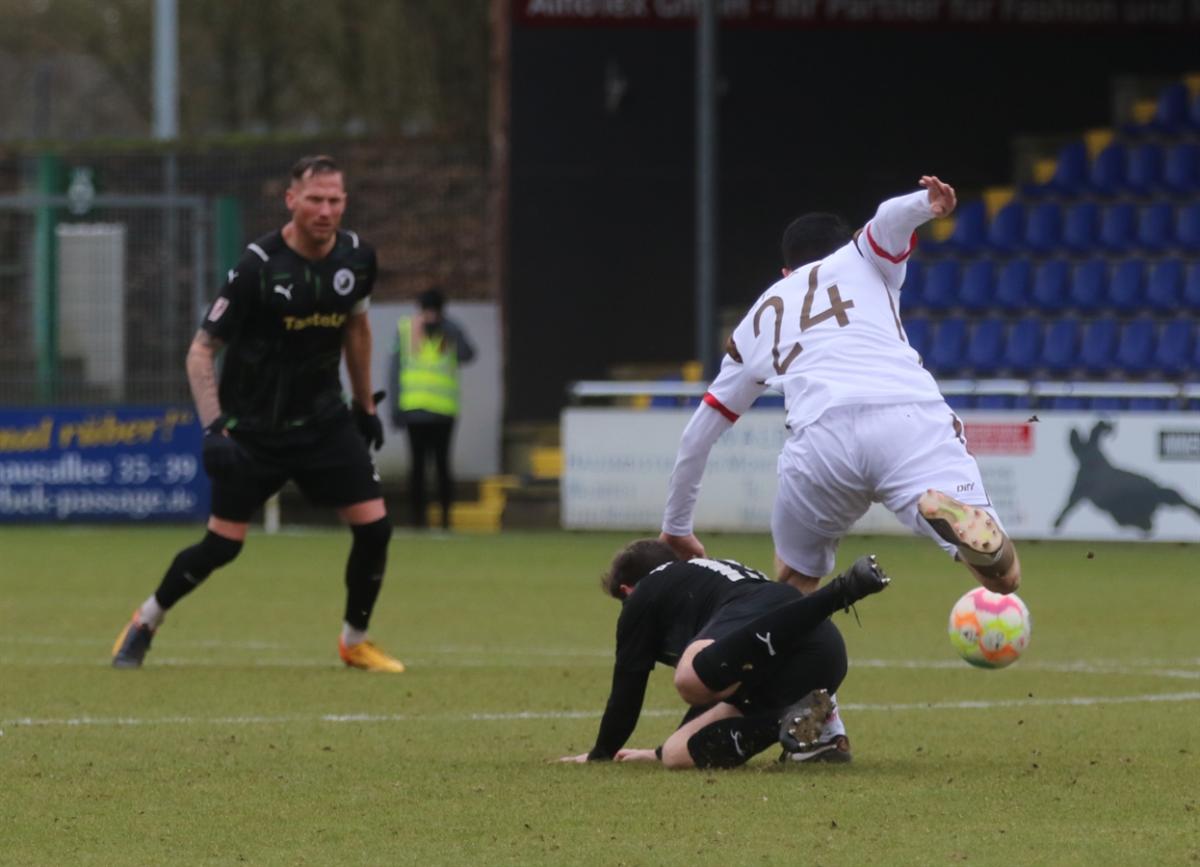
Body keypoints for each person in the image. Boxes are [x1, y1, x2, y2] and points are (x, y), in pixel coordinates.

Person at [660, 176, 1022, 599]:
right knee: (1004, 579)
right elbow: (888, 219)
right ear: (845, 243)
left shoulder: (755, 321)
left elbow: (698, 436)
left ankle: (774, 655)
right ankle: (974, 539)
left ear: (785, 271)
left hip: (821, 436)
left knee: (795, 581)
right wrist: (926, 204)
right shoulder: (863, 257)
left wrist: (676, 526)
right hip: (908, 417)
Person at [111, 155, 404, 673]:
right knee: (222, 546)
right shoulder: (256, 268)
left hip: (322, 421)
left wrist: (363, 406)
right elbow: (202, 350)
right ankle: (145, 621)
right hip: (253, 431)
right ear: (291, 200)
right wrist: (214, 428)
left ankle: (354, 641)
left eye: (335, 200)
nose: (326, 210)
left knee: (375, 528)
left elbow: (356, 330)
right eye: (315, 199)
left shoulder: (358, 258)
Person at [559, 540, 890, 769]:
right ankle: (794, 718)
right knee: (677, 754)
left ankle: (839, 591)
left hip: (803, 635)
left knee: (689, 677)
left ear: (627, 590)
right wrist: (657, 753)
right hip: (823, 659)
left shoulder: (645, 593)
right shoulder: (711, 584)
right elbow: (718, 682)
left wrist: (601, 754)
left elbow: (628, 687)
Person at [389, 287, 476, 529]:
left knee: (442, 466)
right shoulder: (406, 329)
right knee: (417, 468)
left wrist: (450, 329)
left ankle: (445, 518)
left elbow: (468, 354)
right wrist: (395, 407)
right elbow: (394, 370)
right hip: (415, 411)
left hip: (442, 412)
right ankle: (418, 519)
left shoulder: (449, 332)